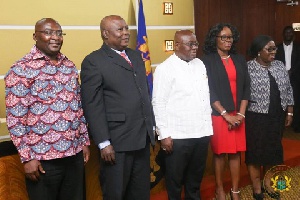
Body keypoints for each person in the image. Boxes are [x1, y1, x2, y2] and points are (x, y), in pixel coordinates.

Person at [4, 18, 90, 200]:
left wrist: (84, 141)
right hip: (42, 161)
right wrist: (27, 158)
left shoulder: (69, 66)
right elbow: (15, 119)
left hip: (74, 155)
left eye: (59, 33)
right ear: (35, 36)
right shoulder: (21, 69)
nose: (55, 37)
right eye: (48, 32)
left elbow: (78, 108)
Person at [80, 15, 155, 200]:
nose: (126, 33)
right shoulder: (93, 61)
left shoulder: (136, 56)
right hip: (117, 141)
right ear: (105, 34)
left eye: (126, 28)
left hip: (142, 137)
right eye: (119, 29)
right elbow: (92, 105)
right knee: (116, 193)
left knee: (140, 193)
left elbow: (143, 92)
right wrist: (103, 142)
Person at [152, 30, 213, 200]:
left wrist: (208, 128)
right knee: (175, 180)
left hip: (201, 133)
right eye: (190, 44)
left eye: (196, 44)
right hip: (177, 137)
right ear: (177, 45)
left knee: (195, 180)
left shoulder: (200, 64)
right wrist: (163, 135)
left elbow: (203, 97)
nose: (195, 47)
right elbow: (158, 103)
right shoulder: (165, 68)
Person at [202, 23, 250, 200]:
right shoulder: (207, 61)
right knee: (220, 154)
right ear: (215, 39)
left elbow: (246, 88)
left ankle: (235, 190)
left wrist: (241, 114)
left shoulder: (239, 59)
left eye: (230, 37)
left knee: (236, 153)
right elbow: (209, 90)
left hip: (239, 115)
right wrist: (225, 115)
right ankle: (219, 189)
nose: (228, 40)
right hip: (219, 116)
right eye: (223, 37)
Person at [246, 35, 294, 200]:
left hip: (276, 116)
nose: (274, 52)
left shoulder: (279, 65)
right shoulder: (248, 68)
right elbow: (242, 94)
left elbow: (288, 89)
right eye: (269, 49)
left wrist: (289, 111)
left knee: (272, 151)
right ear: (259, 51)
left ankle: (267, 183)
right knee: (255, 152)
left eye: (275, 49)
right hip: (256, 117)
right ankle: (257, 187)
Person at [275, 26, 300, 133]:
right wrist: (284, 72)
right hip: (281, 78)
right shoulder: (277, 48)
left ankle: (297, 124)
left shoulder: (299, 47)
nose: (288, 34)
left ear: (293, 34)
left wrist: (291, 71)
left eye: (290, 32)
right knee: (281, 100)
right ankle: (280, 124)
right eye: (286, 32)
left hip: (295, 78)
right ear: (283, 34)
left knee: (297, 100)